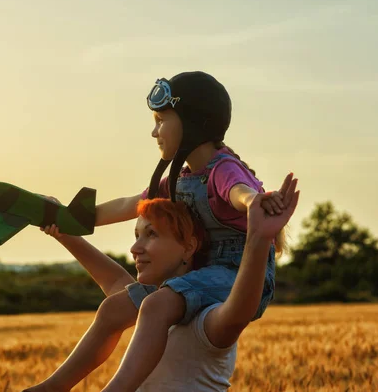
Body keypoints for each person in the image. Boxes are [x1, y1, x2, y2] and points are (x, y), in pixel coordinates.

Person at [26, 71, 287, 390]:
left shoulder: (223, 168)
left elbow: (239, 191)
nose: (154, 132)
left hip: (238, 273)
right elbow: (129, 205)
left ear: (192, 121)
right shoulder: (175, 181)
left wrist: (255, 204)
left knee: (154, 305)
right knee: (114, 308)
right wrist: (68, 219)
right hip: (196, 275)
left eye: (161, 120)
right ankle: (51, 387)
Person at [25, 175, 299, 391]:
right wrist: (62, 229)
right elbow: (116, 282)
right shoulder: (146, 307)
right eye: (136, 235)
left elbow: (241, 308)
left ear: (189, 247)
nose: (135, 248)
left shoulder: (204, 320)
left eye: (151, 235)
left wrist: (259, 238)